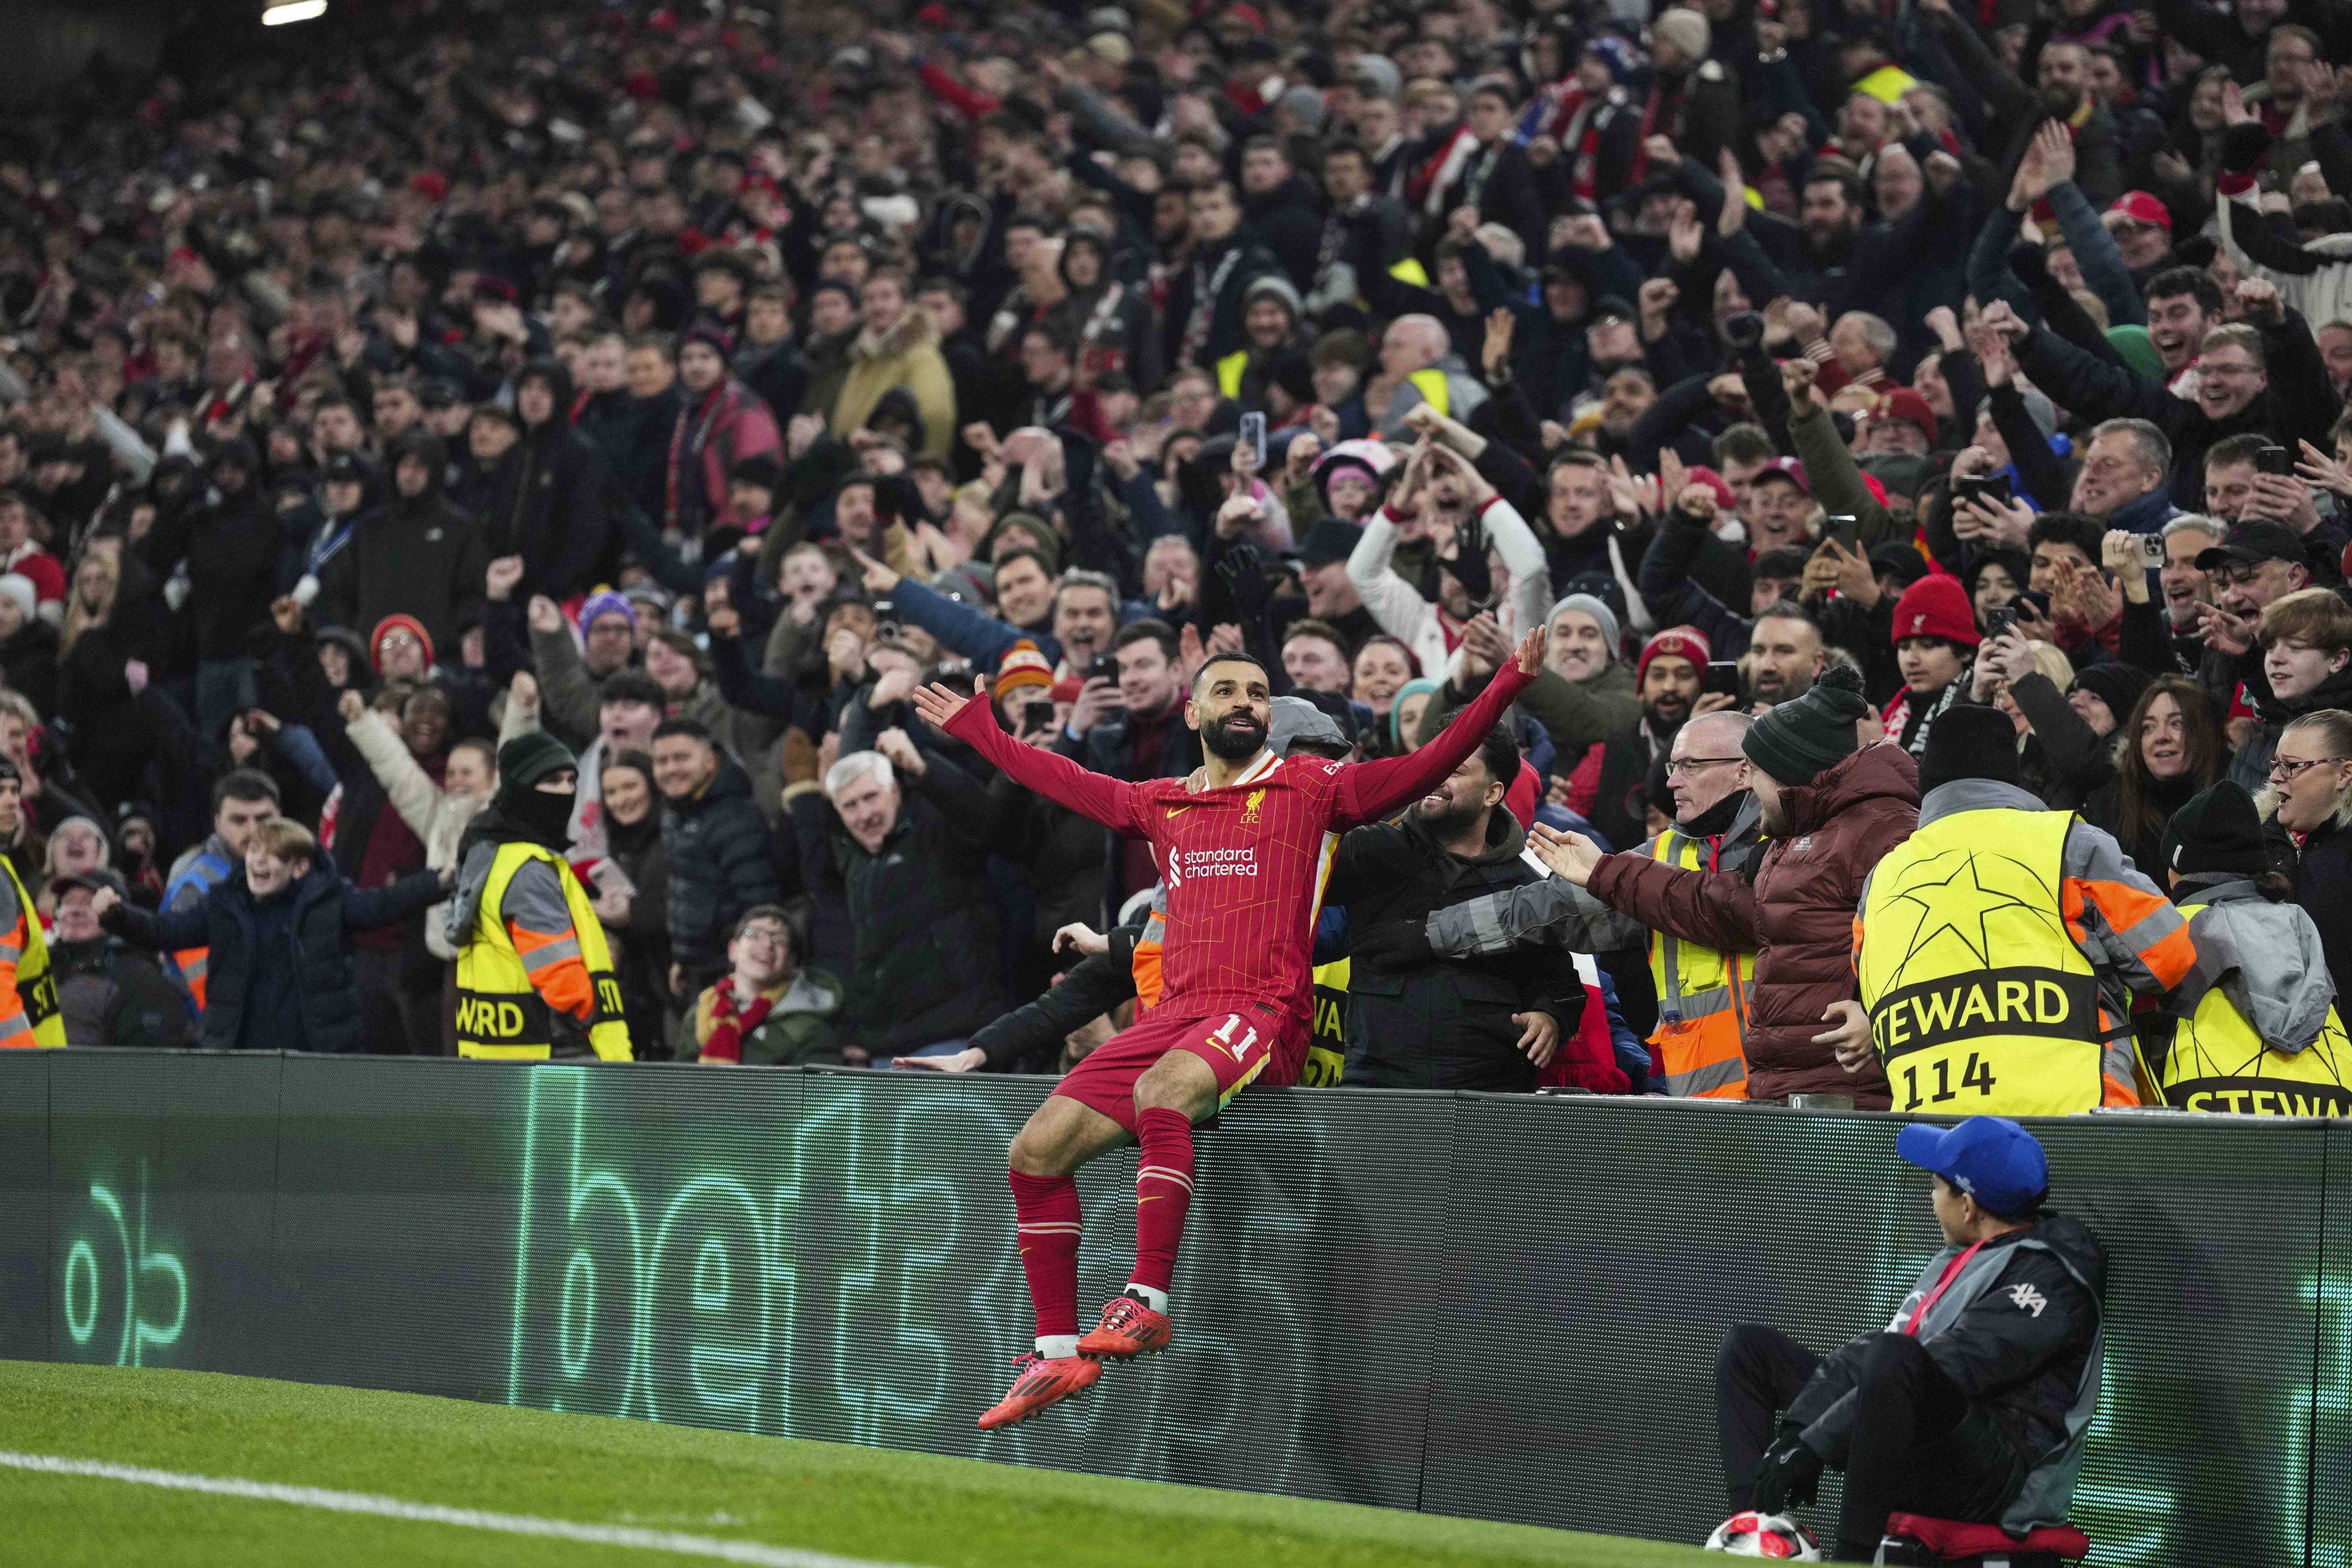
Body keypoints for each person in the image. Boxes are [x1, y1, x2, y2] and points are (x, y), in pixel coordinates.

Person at [909, 628, 1542, 1430]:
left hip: (1261, 1008)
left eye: (1256, 693)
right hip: (1174, 1014)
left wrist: (1507, 682)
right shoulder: (1164, 801)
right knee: (1032, 1154)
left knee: (1159, 1090)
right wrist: (980, 731)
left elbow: (1428, 758)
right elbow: (1065, 779)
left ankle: (1144, 1297)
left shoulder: (1314, 787)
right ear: (1192, 708)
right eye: (1228, 691)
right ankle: (1055, 1347)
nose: (1244, 702)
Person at [1718, 1117, 2105, 1563]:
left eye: (1937, 1185)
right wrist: (1797, 1434)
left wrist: (1819, 1444)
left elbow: (1947, 1364)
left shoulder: (2053, 1278)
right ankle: (1752, 1535)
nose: (1930, 1195)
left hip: (1996, 1482)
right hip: (1922, 1440)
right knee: (1750, 1350)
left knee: (1899, 1360)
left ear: (1967, 1206)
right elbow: (1874, 1352)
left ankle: (1851, 1559)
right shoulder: (1962, 1253)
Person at [1534, 666, 1917, 1105]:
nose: (1748, 785)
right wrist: (1604, 872)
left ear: (1789, 773)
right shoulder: (1793, 843)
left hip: (1851, 1104)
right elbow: (1715, 904)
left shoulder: (1883, 833)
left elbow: (1931, 946)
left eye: (1755, 771)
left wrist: (1877, 1017)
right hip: (1793, 1098)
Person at [1847, 706, 2196, 1116]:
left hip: (1935, 1137)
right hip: (2074, 1123)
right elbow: (2168, 957)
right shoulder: (2070, 844)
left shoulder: (1880, 881)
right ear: (2009, 775)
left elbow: (1873, 1002)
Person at [1327, 721, 1584, 1091]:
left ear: (1492, 793)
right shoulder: (1369, 850)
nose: (1435, 776)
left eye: (1456, 768)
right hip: (1376, 1089)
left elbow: (1563, 986)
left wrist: (1551, 1017)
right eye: (1433, 761)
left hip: (1489, 1100)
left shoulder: (1526, 886)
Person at [94, 818, 443, 1053]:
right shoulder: (223, 904)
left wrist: (438, 883)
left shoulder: (330, 901)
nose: (260, 861)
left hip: (315, 1061)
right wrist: (118, 916)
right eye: (255, 851)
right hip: (239, 1059)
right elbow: (165, 931)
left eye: (274, 855)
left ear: (300, 867)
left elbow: (384, 904)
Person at [2153, 781, 2352, 1114]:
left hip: (2206, 1105)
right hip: (2332, 1106)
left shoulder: (2170, 928)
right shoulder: (2300, 924)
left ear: (2179, 867)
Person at [446, 733, 633, 1061]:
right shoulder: (529, 868)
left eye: (571, 780)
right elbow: (559, 976)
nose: (566, 791)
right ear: (518, 787)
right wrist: (589, 1015)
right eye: (551, 781)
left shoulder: (488, 853)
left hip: (503, 1059)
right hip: (559, 1056)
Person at [651, 716, 781, 1001]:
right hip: (700, 971)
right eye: (661, 761)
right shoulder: (675, 813)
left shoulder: (738, 819)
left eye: (681, 758)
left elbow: (760, 906)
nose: (671, 769)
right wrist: (683, 959)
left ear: (710, 761)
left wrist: (748, 975)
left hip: (734, 975)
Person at [160, 770, 281, 1013]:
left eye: (263, 819)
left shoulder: (288, 872)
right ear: (217, 824)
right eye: (239, 820)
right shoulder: (196, 887)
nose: (253, 831)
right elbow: (204, 987)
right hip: (215, 1037)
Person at [678, 906, 845, 1065]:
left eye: (778, 939)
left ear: (790, 962)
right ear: (733, 950)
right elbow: (675, 1083)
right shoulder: (701, 1013)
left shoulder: (810, 1028)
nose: (767, 944)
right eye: (753, 934)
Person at [46, 868, 194, 1049]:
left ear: (117, 915)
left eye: (90, 902)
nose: (76, 910)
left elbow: (147, 1065)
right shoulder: (38, 968)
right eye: (69, 901)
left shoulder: (138, 978)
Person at [2263, 710, 2352, 1007]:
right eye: (2277, 764)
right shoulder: (2253, 847)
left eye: (2291, 766)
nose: (2275, 777)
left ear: (2344, 774)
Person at [0, 760, 61, 1048]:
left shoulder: (5, 865)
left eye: (15, 790)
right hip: (20, 1067)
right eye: (0, 792)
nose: (12, 801)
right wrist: (27, 1074)